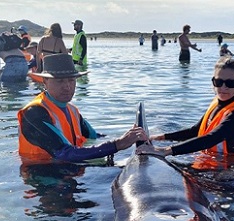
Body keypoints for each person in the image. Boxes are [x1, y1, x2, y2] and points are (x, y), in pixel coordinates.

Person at [17, 53, 147, 164]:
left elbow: (95, 136)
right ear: (45, 82)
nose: (67, 86)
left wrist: (134, 137)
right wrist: (118, 144)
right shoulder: (34, 113)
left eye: (71, 80)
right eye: (60, 81)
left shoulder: (72, 110)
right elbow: (64, 153)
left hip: (71, 170)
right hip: (42, 178)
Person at [138, 57, 234, 166]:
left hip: (230, 170)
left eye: (230, 83)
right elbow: (195, 131)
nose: (223, 88)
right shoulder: (219, 102)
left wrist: (165, 151)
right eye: (218, 82)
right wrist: (161, 137)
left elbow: (212, 138)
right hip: (211, 160)